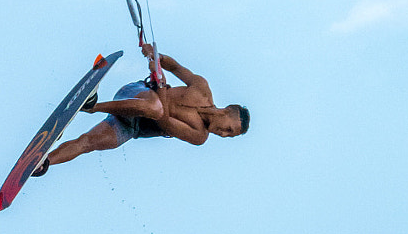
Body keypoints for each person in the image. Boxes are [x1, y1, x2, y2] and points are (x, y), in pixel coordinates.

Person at [34, 43, 249, 173]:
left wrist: (162, 85)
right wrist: (156, 58)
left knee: (87, 143)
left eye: (228, 136)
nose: (223, 134)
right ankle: (92, 106)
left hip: (131, 126)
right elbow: (174, 67)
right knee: (154, 106)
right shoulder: (201, 88)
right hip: (135, 94)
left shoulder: (199, 136)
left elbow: (163, 121)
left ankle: (43, 164)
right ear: (227, 110)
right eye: (229, 129)